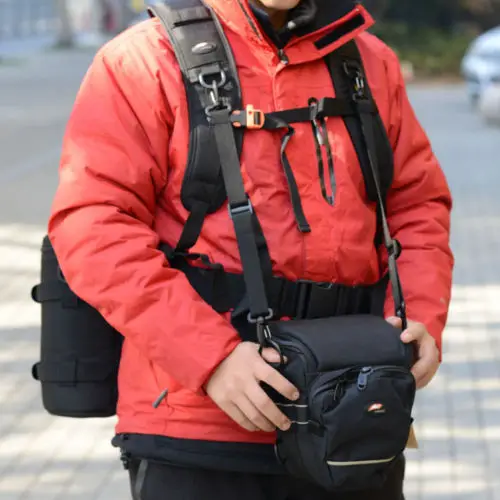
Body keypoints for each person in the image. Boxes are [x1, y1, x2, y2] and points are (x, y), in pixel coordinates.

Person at [47, 0, 454, 498]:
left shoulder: (368, 61)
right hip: (199, 425)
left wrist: (419, 316)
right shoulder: (144, 60)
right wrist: (210, 358)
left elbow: (417, 204)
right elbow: (93, 226)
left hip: (352, 412)